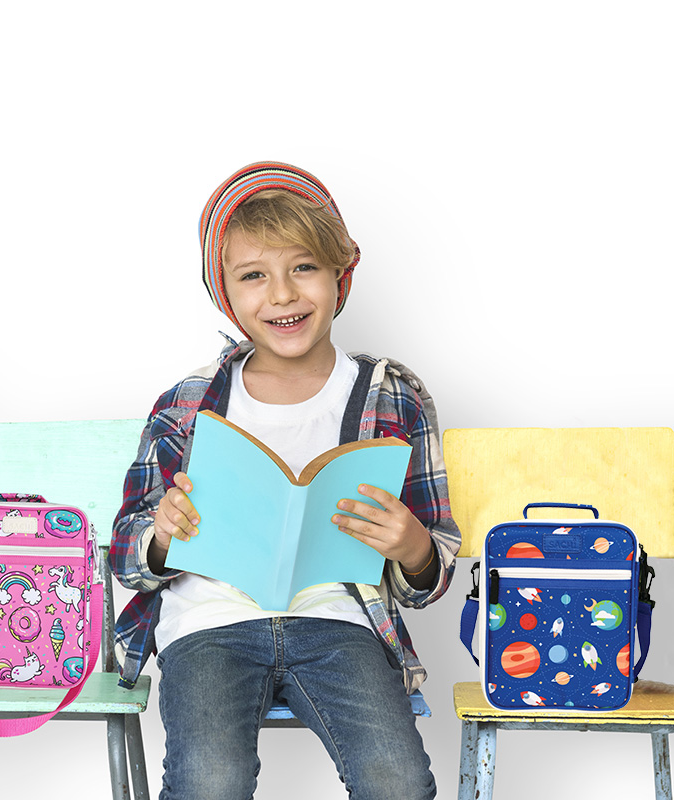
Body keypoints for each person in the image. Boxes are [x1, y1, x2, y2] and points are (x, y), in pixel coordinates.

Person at [109, 161, 460, 799]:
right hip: (208, 623)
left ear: (338, 276)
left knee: (399, 781)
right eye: (253, 276)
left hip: (340, 621)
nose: (282, 294)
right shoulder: (187, 403)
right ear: (226, 293)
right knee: (209, 784)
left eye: (303, 267)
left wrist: (410, 546)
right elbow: (127, 554)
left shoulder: (391, 396)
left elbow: (430, 570)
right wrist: (161, 535)